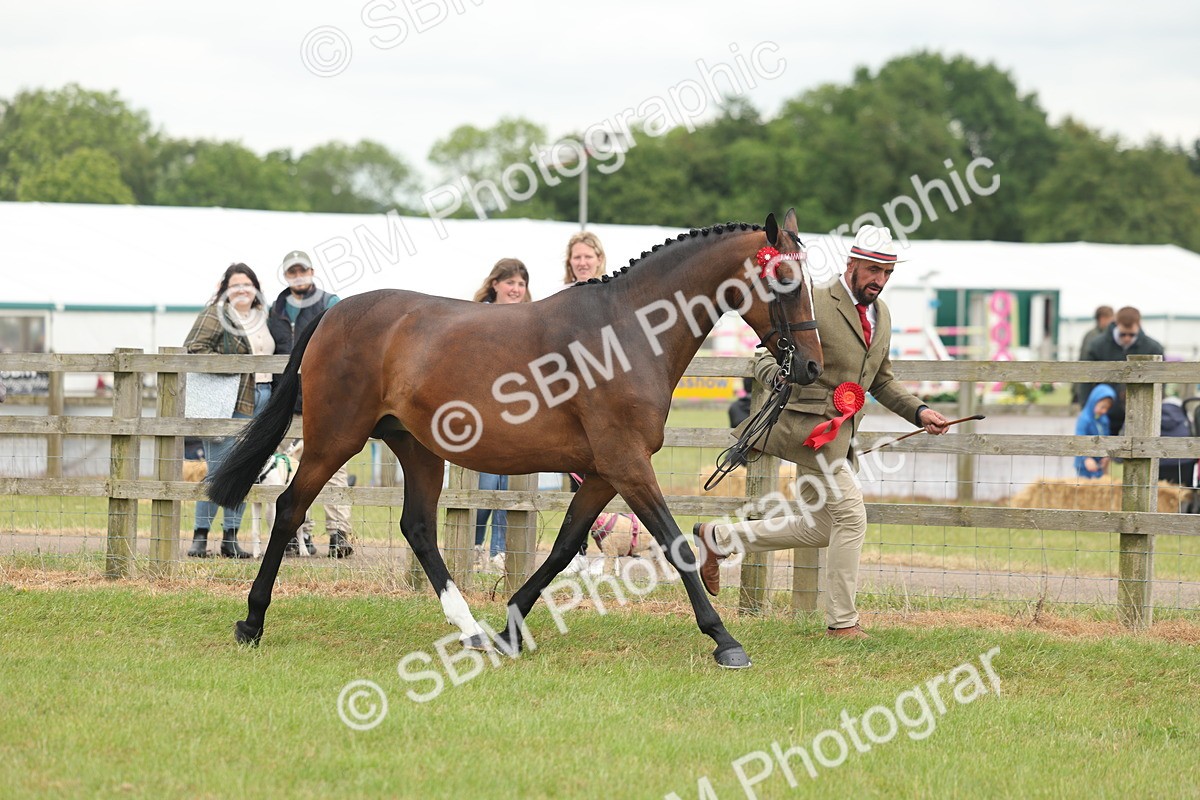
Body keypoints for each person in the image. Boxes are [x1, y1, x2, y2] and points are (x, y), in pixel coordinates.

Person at [693, 225, 950, 639]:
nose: (879, 281)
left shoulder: (882, 316)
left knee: (821, 528)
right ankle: (842, 623)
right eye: (872, 270)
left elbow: (880, 380)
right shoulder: (816, 300)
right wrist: (778, 374)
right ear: (852, 264)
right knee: (852, 516)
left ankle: (719, 537)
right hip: (805, 430)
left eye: (887, 273)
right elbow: (763, 354)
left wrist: (919, 412)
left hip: (839, 438)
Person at [184, 263, 279, 559]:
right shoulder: (217, 315)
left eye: (247, 285)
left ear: (256, 288)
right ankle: (200, 536)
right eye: (235, 285)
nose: (242, 290)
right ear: (225, 289)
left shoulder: (265, 317)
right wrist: (232, 368)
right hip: (231, 400)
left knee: (245, 470)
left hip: (265, 399)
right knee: (220, 469)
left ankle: (230, 537)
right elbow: (194, 347)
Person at [269, 250, 353, 558]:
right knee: (290, 467)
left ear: (312, 271)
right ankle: (297, 532)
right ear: (285, 275)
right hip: (289, 399)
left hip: (326, 400)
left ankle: (338, 532)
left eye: (302, 270)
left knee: (335, 466)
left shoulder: (330, 303)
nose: (298, 276)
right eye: (292, 272)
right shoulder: (274, 309)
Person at [471, 258, 531, 569]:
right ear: (495, 284)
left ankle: (499, 553)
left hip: (518, 413)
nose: (516, 289)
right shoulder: (477, 317)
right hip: (483, 413)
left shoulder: (532, 319)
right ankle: (474, 548)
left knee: (509, 487)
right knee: (486, 486)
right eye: (510, 283)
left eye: (521, 284)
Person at [560, 230, 608, 575]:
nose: (582, 262)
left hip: (602, 400)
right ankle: (576, 553)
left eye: (587, 257)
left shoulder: (610, 296)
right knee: (576, 482)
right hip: (567, 401)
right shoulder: (561, 299)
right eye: (577, 257)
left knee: (599, 482)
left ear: (598, 260)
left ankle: (599, 551)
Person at [1079, 306, 1165, 435]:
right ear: (1116, 325)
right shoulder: (1097, 346)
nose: (1126, 338)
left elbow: (1161, 381)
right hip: (1104, 412)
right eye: (1123, 334)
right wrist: (1086, 406)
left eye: (1131, 334)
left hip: (1139, 414)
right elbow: (1084, 379)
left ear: (1139, 326)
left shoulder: (1153, 348)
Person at [1072, 306, 1113, 406]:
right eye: (1109, 318)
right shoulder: (1092, 336)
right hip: (1092, 380)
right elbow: (1084, 360)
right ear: (1102, 318)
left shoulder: (1109, 335)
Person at [1074, 384, 1116, 478]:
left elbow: (1107, 438)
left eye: (1107, 408)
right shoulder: (1084, 419)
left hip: (1099, 465)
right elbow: (1079, 440)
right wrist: (1086, 458)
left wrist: (1107, 455)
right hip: (1084, 466)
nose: (1104, 411)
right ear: (1094, 401)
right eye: (1102, 407)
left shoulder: (1104, 420)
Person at [1159, 397, 1197, 489]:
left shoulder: (1152, 416)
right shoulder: (1186, 418)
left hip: (1159, 463)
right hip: (1184, 464)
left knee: (1160, 494)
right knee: (1184, 494)